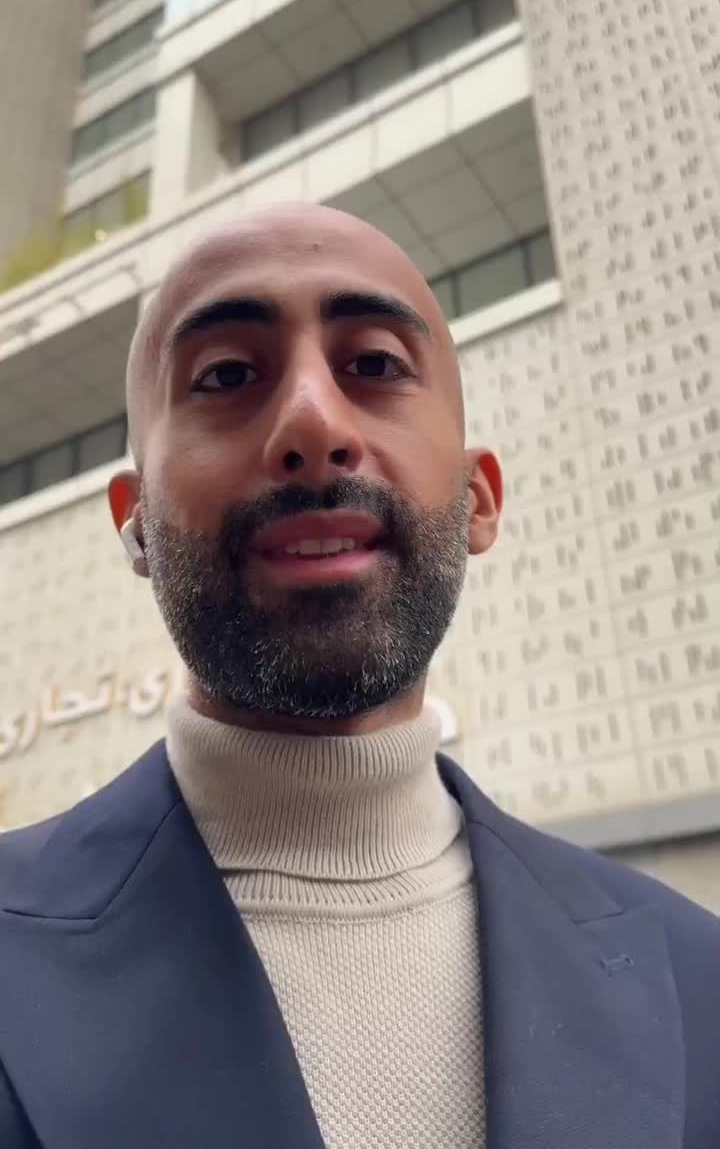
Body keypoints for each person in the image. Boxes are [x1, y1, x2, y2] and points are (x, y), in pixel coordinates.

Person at [0, 204, 717, 1149]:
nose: (311, 421)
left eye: (375, 364)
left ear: (479, 498)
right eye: (227, 375)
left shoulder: (699, 981)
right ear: (135, 525)